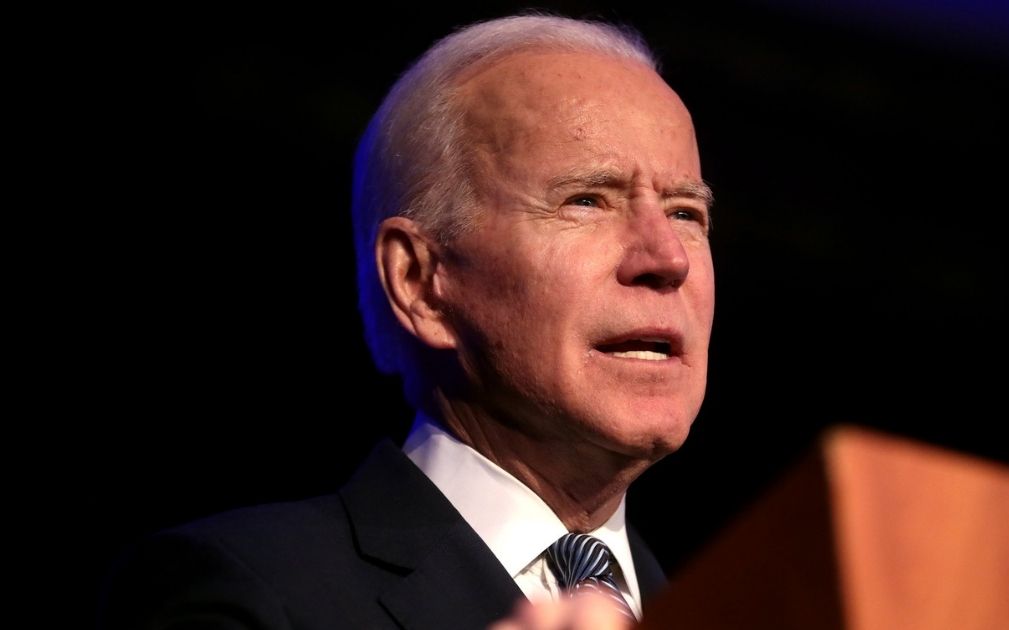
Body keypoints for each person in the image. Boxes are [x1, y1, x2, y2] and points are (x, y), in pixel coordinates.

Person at [100, 12, 714, 629]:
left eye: (686, 212)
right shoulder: (246, 592)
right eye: (586, 201)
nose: (667, 259)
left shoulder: (741, 606)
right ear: (420, 282)